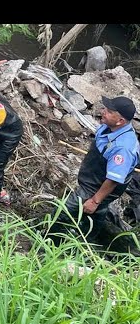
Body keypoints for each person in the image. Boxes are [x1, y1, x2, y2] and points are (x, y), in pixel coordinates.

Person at [50, 95, 140, 242]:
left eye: (109, 111)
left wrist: (95, 200)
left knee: (64, 211)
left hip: (98, 187)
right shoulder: (108, 127)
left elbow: (113, 180)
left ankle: (47, 242)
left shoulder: (123, 149)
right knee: (95, 214)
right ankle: (86, 241)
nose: (103, 111)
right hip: (92, 179)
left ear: (120, 121)